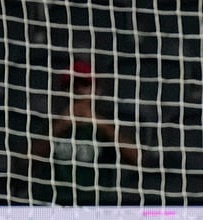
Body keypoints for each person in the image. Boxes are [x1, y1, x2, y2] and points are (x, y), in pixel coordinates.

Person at [27, 59, 146, 206]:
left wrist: (101, 124)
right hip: (53, 205)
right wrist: (59, 127)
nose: (77, 90)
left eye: (84, 84)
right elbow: (24, 163)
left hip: (96, 205)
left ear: (96, 91)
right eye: (71, 86)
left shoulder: (109, 125)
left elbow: (138, 160)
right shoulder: (48, 124)